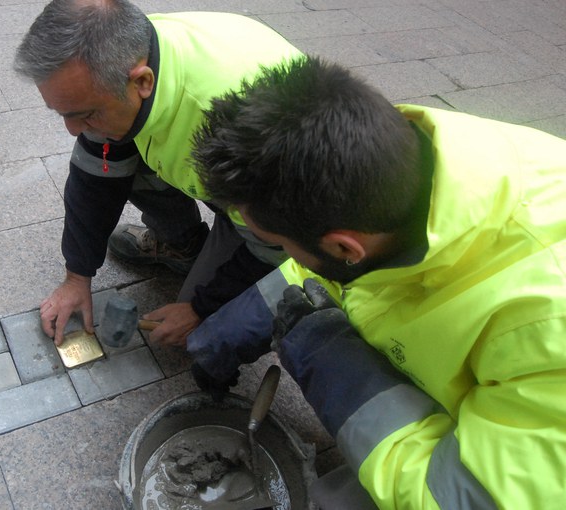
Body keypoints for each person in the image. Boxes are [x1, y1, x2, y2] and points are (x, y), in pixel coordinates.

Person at [186, 54, 566, 509]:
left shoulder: (544, 326)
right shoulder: (389, 157)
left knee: (333, 498)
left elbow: (464, 499)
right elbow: (318, 265)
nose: (286, 258)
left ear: (346, 248)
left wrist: (329, 362)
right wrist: (227, 333)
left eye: (281, 244)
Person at [14, 0, 302, 346]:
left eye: (85, 115)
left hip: (285, 209)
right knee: (116, 151)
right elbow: (93, 176)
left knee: (204, 340)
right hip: (230, 171)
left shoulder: (236, 130)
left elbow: (274, 247)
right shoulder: (120, 56)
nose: (73, 130)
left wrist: (200, 308)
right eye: (62, 113)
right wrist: (77, 277)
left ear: (143, 82)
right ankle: (183, 244)